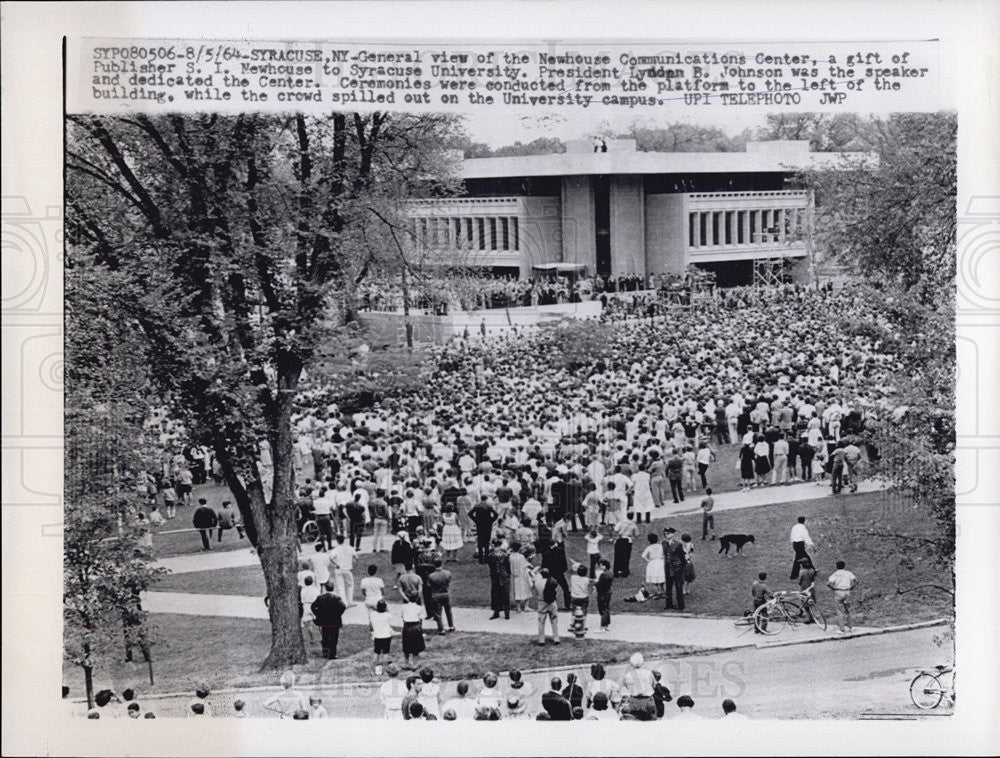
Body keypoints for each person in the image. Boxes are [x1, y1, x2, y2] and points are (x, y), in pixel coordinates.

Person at [311, 582, 347, 659]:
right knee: (334, 638)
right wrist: (338, 614)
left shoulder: (320, 598)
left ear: (325, 588)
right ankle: (333, 654)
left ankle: (325, 653)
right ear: (333, 588)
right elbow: (343, 607)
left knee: (325, 637)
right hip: (334, 621)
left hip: (324, 621)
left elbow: (313, 607)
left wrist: (318, 614)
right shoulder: (337, 598)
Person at [619, 653, 656, 720]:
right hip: (648, 700)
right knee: (652, 723)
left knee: (636, 723)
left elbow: (626, 687)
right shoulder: (648, 673)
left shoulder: (627, 675)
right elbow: (653, 685)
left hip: (634, 701)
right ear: (642, 662)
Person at [827, 560, 858, 634]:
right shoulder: (848, 573)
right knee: (848, 610)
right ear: (844, 566)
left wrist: (833, 588)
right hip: (847, 592)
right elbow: (856, 581)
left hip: (839, 592)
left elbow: (828, 583)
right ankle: (850, 627)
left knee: (839, 611)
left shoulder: (835, 574)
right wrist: (852, 587)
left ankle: (842, 629)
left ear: (836, 566)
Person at [427, 558, 456, 633]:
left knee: (438, 613)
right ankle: (451, 626)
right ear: (441, 564)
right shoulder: (447, 573)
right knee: (448, 611)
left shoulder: (431, 576)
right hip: (446, 594)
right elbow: (449, 581)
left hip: (436, 595)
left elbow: (429, 585)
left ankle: (441, 629)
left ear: (434, 565)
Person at [534, 568, 560, 645]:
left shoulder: (537, 583)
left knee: (541, 622)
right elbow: (556, 592)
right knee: (554, 621)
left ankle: (541, 640)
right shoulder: (553, 582)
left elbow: (536, 592)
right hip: (552, 603)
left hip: (542, 602)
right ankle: (556, 638)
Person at [487, 539, 512, 620]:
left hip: (504, 577)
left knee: (505, 595)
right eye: (494, 547)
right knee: (495, 595)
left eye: (497, 547)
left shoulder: (505, 556)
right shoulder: (490, 556)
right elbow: (490, 566)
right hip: (495, 578)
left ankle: (507, 613)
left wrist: (507, 575)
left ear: (500, 547)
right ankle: (496, 612)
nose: (496, 548)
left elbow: (508, 568)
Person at [663, 528, 686, 611]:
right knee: (668, 587)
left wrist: (681, 567)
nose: (666, 535)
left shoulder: (677, 544)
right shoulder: (663, 543)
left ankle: (681, 605)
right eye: (665, 533)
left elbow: (682, 558)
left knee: (678, 587)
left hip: (677, 568)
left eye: (668, 533)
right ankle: (669, 604)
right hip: (668, 568)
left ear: (672, 534)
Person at [469, 498, 498, 563]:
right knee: (487, 542)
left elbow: (470, 513)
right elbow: (496, 514)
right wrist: (491, 520)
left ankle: (481, 559)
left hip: (479, 525)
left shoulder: (477, 506)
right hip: (487, 525)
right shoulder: (489, 506)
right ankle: (487, 558)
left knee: (480, 542)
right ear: (486, 499)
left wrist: (475, 520)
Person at [370, 599, 394, 675]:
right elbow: (390, 622)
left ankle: (372, 670)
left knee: (376, 653)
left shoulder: (373, 614)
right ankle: (384, 671)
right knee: (385, 653)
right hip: (386, 636)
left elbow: (371, 624)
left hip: (377, 636)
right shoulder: (388, 615)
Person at [331, 534, 356, 605]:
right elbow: (355, 557)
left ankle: (344, 602)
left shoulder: (335, 549)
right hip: (348, 568)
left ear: (337, 541)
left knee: (340, 585)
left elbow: (331, 558)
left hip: (339, 569)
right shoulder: (350, 548)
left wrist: (336, 564)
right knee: (350, 585)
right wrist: (352, 564)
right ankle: (350, 601)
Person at [400, 598, 426, 667]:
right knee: (415, 647)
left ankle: (406, 664)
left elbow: (402, 617)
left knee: (406, 646)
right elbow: (421, 619)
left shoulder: (404, 606)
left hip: (407, 627)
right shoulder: (419, 608)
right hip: (415, 627)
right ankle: (414, 664)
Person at [612, 511, 638, 578]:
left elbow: (615, 530)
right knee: (626, 557)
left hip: (619, 539)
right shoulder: (633, 524)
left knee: (617, 556)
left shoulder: (621, 522)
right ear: (632, 517)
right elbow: (636, 534)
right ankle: (625, 571)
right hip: (627, 540)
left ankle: (616, 571)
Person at [509, 544, 533, 613]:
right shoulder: (521, 557)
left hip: (514, 576)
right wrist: (530, 564)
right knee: (527, 589)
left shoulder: (511, 557)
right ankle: (526, 606)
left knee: (517, 591)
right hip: (522, 575)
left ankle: (518, 607)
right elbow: (525, 565)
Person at [594, 559, 613, 633]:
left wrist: (596, 583)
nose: (600, 566)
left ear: (604, 565)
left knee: (602, 609)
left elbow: (599, 584)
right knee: (606, 608)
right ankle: (606, 625)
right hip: (608, 592)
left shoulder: (603, 574)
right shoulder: (610, 572)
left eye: (601, 565)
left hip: (602, 593)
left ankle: (603, 626)